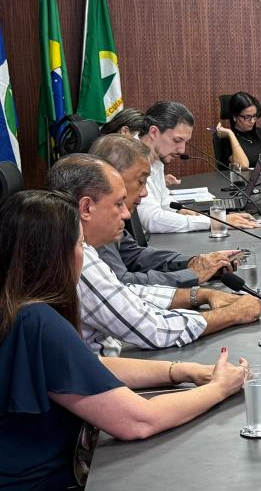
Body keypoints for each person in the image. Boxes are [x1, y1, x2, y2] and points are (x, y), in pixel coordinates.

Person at [0, 189, 247, 490]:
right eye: (79, 244)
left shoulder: (16, 308)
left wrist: (184, 370)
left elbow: (89, 365)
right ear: (54, 255)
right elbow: (138, 421)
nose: (83, 254)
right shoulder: (38, 321)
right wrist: (220, 388)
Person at [47, 154, 261, 355]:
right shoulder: (77, 259)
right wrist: (233, 313)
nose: (126, 213)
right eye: (118, 204)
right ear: (86, 208)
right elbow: (154, 330)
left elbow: (124, 292)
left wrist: (200, 295)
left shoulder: (73, 244)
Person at [90, 135, 240, 288]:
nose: (145, 193)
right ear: (113, 177)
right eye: (140, 182)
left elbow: (134, 255)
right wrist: (192, 275)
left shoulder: (110, 218)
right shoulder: (93, 224)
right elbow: (122, 284)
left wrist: (193, 263)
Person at [136, 101, 260, 233]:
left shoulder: (155, 157)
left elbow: (164, 201)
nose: (182, 150)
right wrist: (217, 221)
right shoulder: (133, 159)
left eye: (185, 142)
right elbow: (152, 219)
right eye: (177, 140)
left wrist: (184, 211)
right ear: (153, 132)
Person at [214, 91, 261, 170]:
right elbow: (243, 166)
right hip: (242, 178)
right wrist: (231, 134)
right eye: (247, 117)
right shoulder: (227, 140)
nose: (252, 121)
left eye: (254, 116)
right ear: (234, 117)